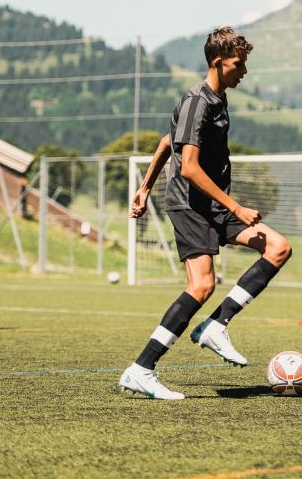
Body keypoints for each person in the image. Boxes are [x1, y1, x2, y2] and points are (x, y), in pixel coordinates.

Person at [119, 27, 292, 400]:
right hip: (191, 204)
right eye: (238, 64)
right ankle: (141, 369)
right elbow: (189, 168)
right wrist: (236, 207)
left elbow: (169, 141)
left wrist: (145, 185)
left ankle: (216, 325)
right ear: (218, 62)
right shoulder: (197, 101)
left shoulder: (217, 98)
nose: (243, 71)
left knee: (278, 247)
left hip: (214, 204)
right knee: (201, 285)